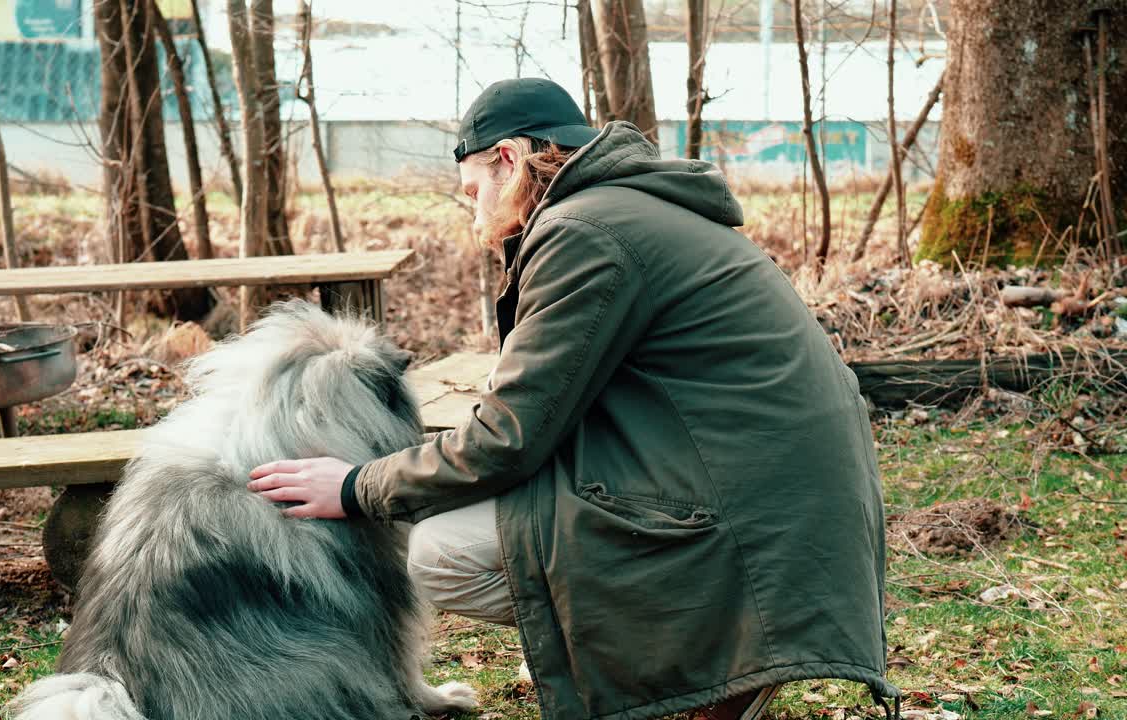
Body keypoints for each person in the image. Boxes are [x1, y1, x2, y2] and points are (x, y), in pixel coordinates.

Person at [248, 78, 901, 720]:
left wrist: (359, 485)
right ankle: (706, 673)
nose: (475, 214)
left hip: (750, 514)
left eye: (473, 190)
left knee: (441, 553)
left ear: (508, 159)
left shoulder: (583, 232)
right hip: (777, 494)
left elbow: (506, 438)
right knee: (508, 524)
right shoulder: (629, 207)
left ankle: (712, 671)